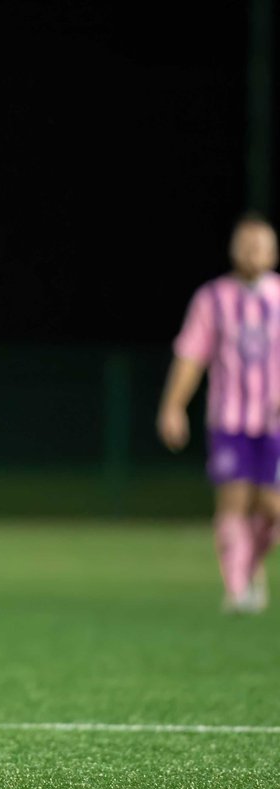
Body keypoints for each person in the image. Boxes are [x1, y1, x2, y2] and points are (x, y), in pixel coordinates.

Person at [158, 212, 280, 614]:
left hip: (275, 422)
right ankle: (236, 590)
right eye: (246, 243)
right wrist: (174, 406)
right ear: (233, 249)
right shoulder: (213, 298)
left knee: (272, 509)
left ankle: (250, 565)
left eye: (261, 243)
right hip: (230, 420)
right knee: (234, 502)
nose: (253, 251)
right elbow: (191, 356)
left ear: (274, 250)